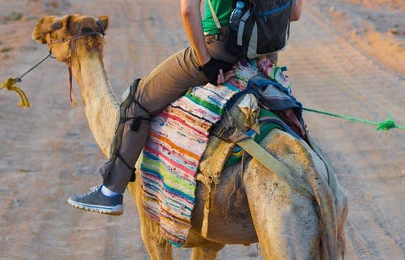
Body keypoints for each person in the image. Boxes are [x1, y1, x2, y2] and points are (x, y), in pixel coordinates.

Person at [67, 0, 303, 215]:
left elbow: (188, 10)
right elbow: (294, 14)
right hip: (264, 57)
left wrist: (205, 62)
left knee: (139, 99)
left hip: (221, 52)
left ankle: (111, 192)